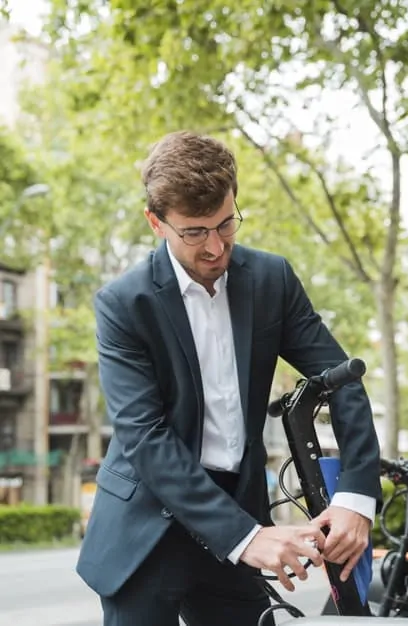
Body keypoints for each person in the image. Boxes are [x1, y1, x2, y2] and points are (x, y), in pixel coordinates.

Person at [77, 130, 382, 626]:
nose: (216, 247)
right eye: (195, 232)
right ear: (157, 223)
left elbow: (340, 379)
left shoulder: (271, 279)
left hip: (239, 504)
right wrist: (246, 536)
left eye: (226, 224)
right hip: (147, 524)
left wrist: (355, 496)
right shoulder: (122, 304)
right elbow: (145, 437)